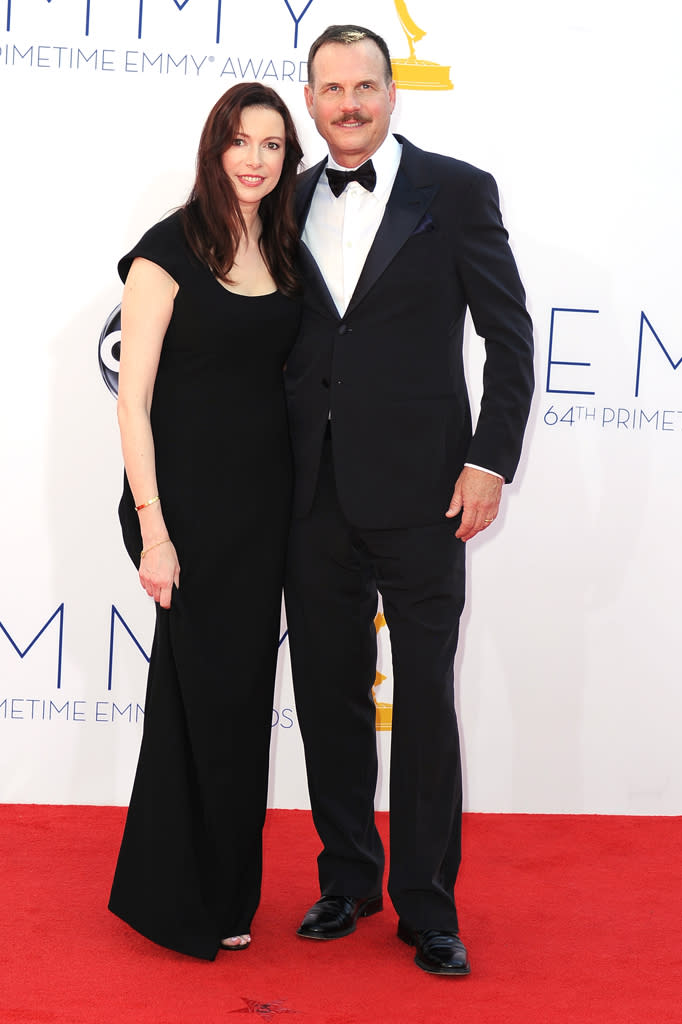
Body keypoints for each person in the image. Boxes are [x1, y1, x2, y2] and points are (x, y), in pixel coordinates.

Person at [284, 25, 534, 976]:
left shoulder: (457, 190)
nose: (347, 104)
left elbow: (510, 341)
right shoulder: (287, 196)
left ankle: (429, 906)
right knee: (329, 697)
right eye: (330, 88)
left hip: (430, 495)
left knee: (425, 701)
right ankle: (346, 879)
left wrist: (490, 462)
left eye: (364, 87)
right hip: (310, 494)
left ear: (393, 95)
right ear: (308, 98)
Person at [109, 83, 303, 961]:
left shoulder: (288, 248)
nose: (255, 158)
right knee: (196, 699)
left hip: (261, 512)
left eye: (271, 143)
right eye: (240, 140)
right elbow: (133, 403)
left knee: (235, 705)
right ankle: (173, 898)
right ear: (214, 148)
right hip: (180, 509)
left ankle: (224, 891)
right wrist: (153, 529)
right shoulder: (167, 249)